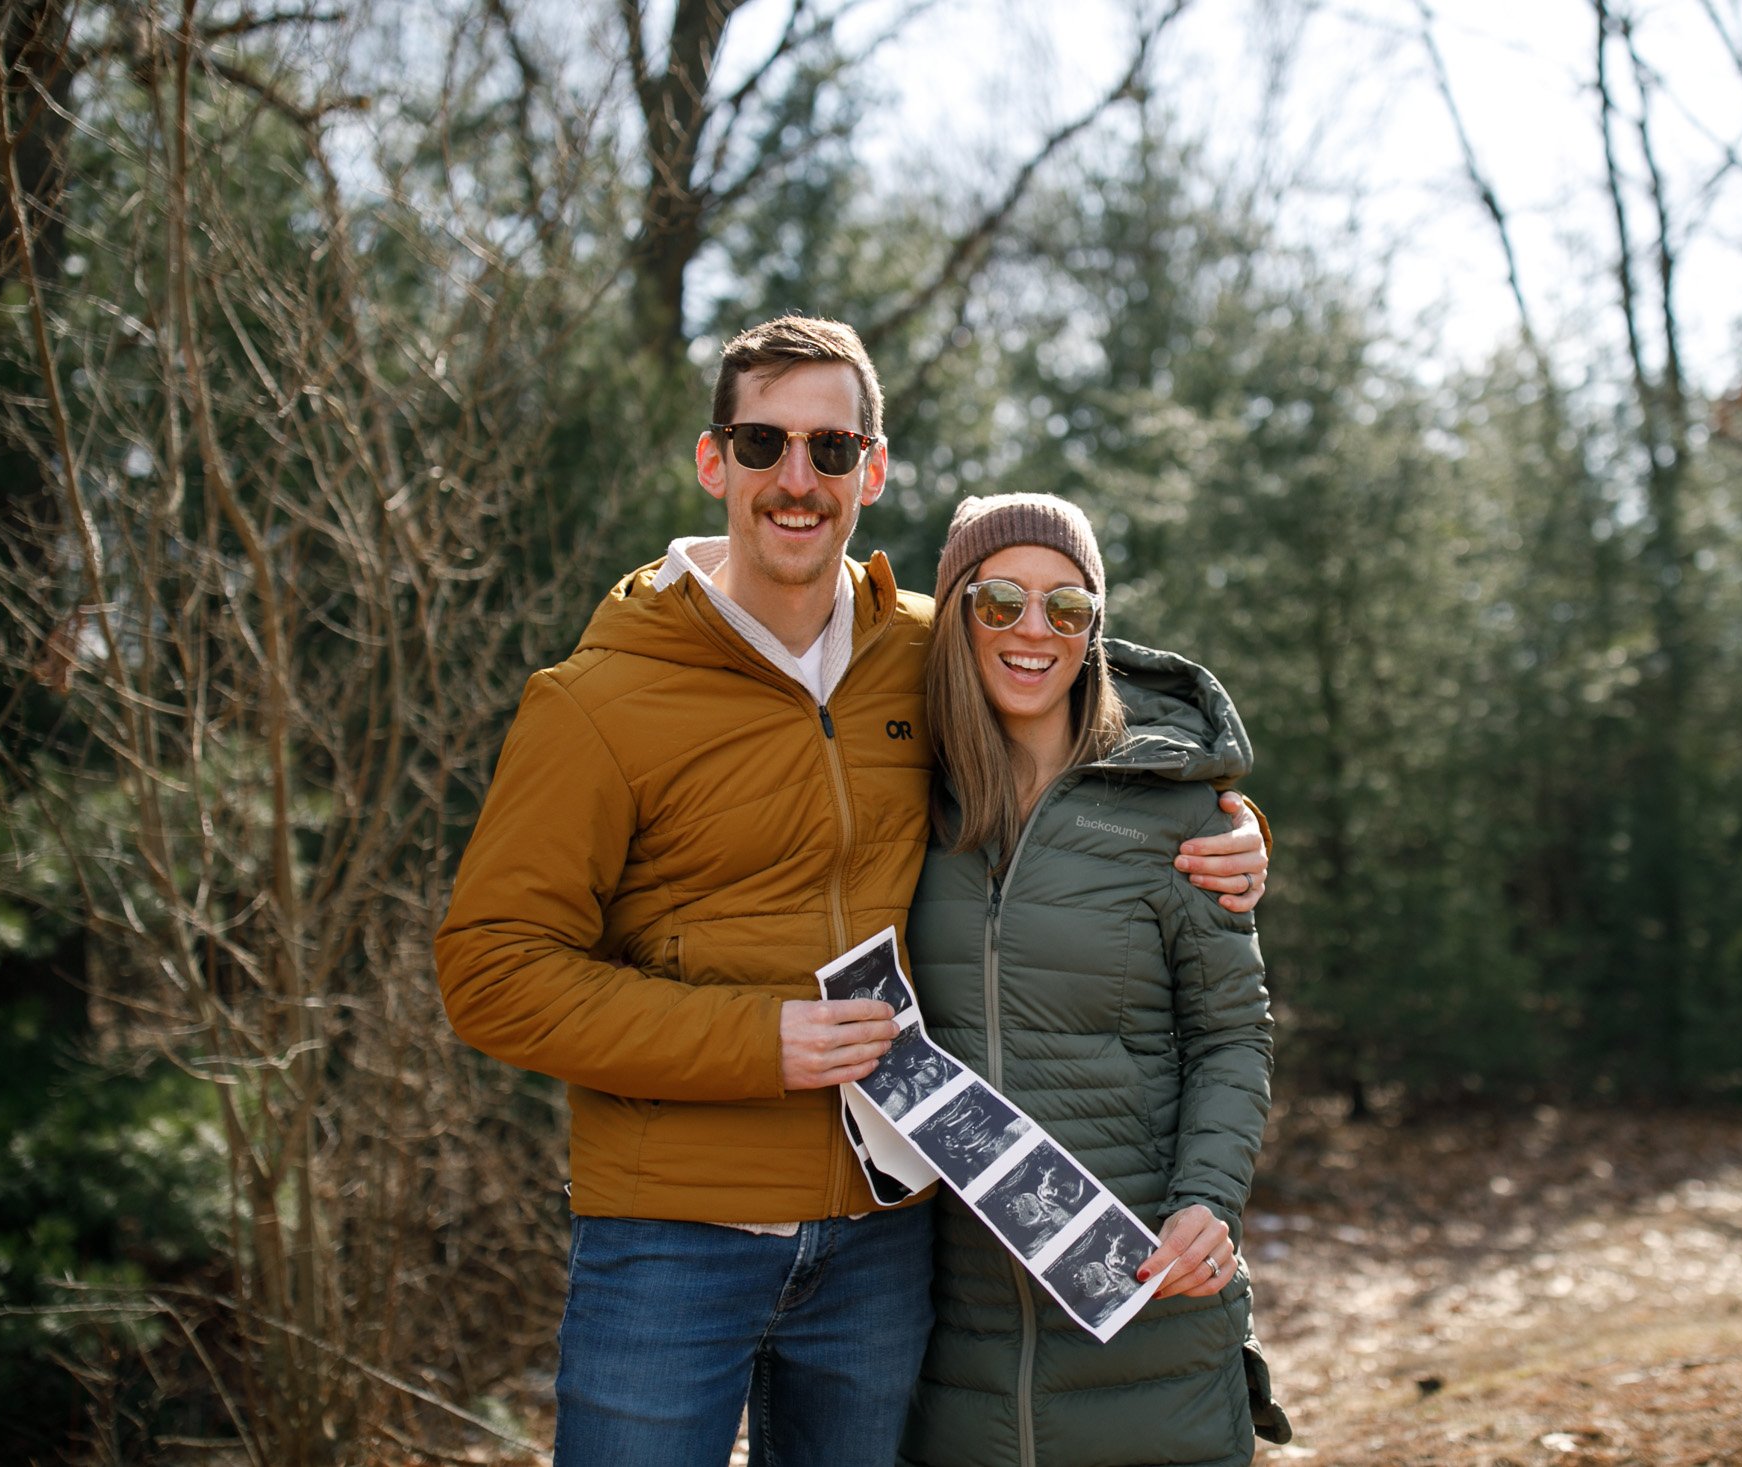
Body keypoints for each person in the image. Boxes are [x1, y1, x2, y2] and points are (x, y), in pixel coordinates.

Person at [433, 317, 1269, 1467]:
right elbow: (490, 974)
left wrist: (1225, 824)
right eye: (763, 441)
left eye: (831, 450)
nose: (796, 478)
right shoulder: (596, 700)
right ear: (712, 459)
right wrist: (760, 1039)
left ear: (871, 472)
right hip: (672, 1237)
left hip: (882, 1245)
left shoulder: (923, 653)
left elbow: (1088, 704)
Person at [899, 493, 1287, 1467]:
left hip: (1152, 1306)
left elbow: (1231, 1033)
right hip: (951, 1333)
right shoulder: (897, 792)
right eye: (999, 601)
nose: (1034, 630)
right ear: (953, 613)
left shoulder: (1174, 808)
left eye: (1065, 607)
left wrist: (1209, 1198)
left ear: (1094, 628)